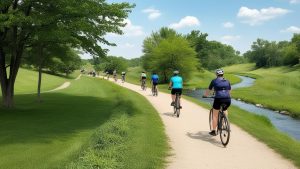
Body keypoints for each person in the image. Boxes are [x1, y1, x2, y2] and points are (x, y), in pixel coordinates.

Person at [204, 68, 231, 136]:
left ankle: (213, 131)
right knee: (225, 109)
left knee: (215, 115)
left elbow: (209, 90)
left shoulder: (214, 81)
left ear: (216, 74)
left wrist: (205, 95)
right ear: (223, 74)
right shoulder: (227, 81)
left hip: (218, 99)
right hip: (227, 99)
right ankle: (226, 124)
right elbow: (229, 91)